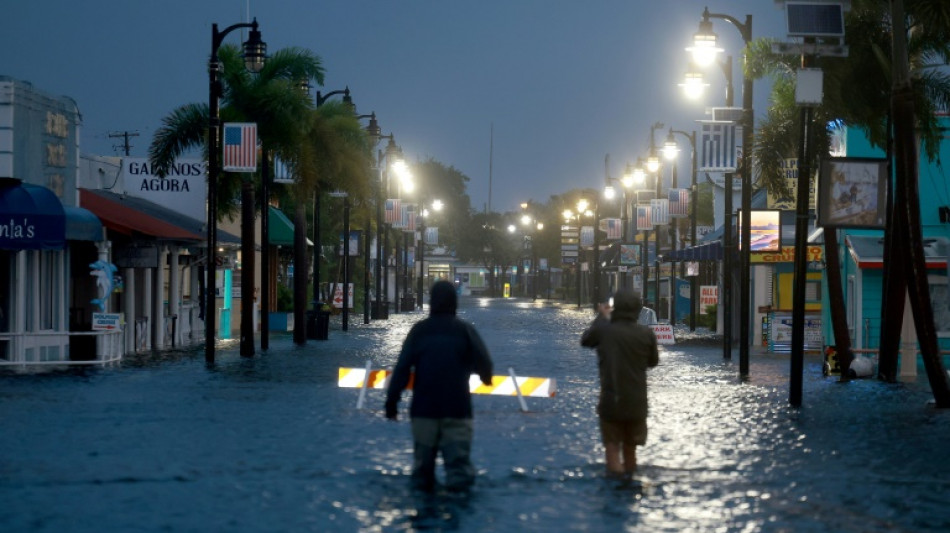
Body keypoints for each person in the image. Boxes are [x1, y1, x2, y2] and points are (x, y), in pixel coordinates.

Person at [385, 280, 494, 492]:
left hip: (424, 411)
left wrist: (392, 403)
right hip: (457, 410)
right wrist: (486, 378)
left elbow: (402, 369)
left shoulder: (419, 332)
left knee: (422, 473)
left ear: (431, 302)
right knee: (459, 471)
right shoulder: (465, 331)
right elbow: (485, 363)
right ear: (455, 302)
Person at [580, 290, 659, 477]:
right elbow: (652, 362)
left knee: (612, 446)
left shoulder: (605, 331)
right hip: (637, 402)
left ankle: (615, 482)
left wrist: (601, 317)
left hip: (611, 399)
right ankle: (629, 482)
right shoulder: (646, 334)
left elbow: (586, 340)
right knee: (631, 448)